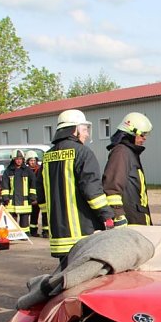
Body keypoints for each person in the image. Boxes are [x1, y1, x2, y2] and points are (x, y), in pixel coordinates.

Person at [40, 109, 115, 259]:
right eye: (85, 129)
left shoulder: (47, 156)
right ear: (74, 130)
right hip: (82, 231)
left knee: (65, 275)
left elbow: (42, 195)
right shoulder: (83, 153)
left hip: (59, 234)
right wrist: (107, 216)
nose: (87, 134)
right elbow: (92, 190)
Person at [103, 112, 153, 226]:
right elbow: (112, 187)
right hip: (130, 223)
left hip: (137, 219)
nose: (144, 138)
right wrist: (118, 215)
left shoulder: (130, 153)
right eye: (142, 134)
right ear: (131, 132)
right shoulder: (121, 153)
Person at [0, 149, 36, 233]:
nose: (19, 161)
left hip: (25, 200)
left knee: (24, 219)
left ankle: (24, 234)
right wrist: (5, 197)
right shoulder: (8, 171)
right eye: (17, 159)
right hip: (11, 201)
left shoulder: (28, 171)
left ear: (23, 160)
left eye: (20, 159)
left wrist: (33, 196)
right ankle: (13, 233)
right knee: (12, 219)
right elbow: (5, 185)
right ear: (13, 159)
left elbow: (33, 184)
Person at [25, 150, 48, 237]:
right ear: (28, 161)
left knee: (45, 214)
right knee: (34, 214)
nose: (33, 162)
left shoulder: (40, 169)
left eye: (34, 160)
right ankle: (33, 231)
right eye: (31, 160)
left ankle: (46, 232)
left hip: (41, 195)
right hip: (32, 196)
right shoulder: (26, 170)